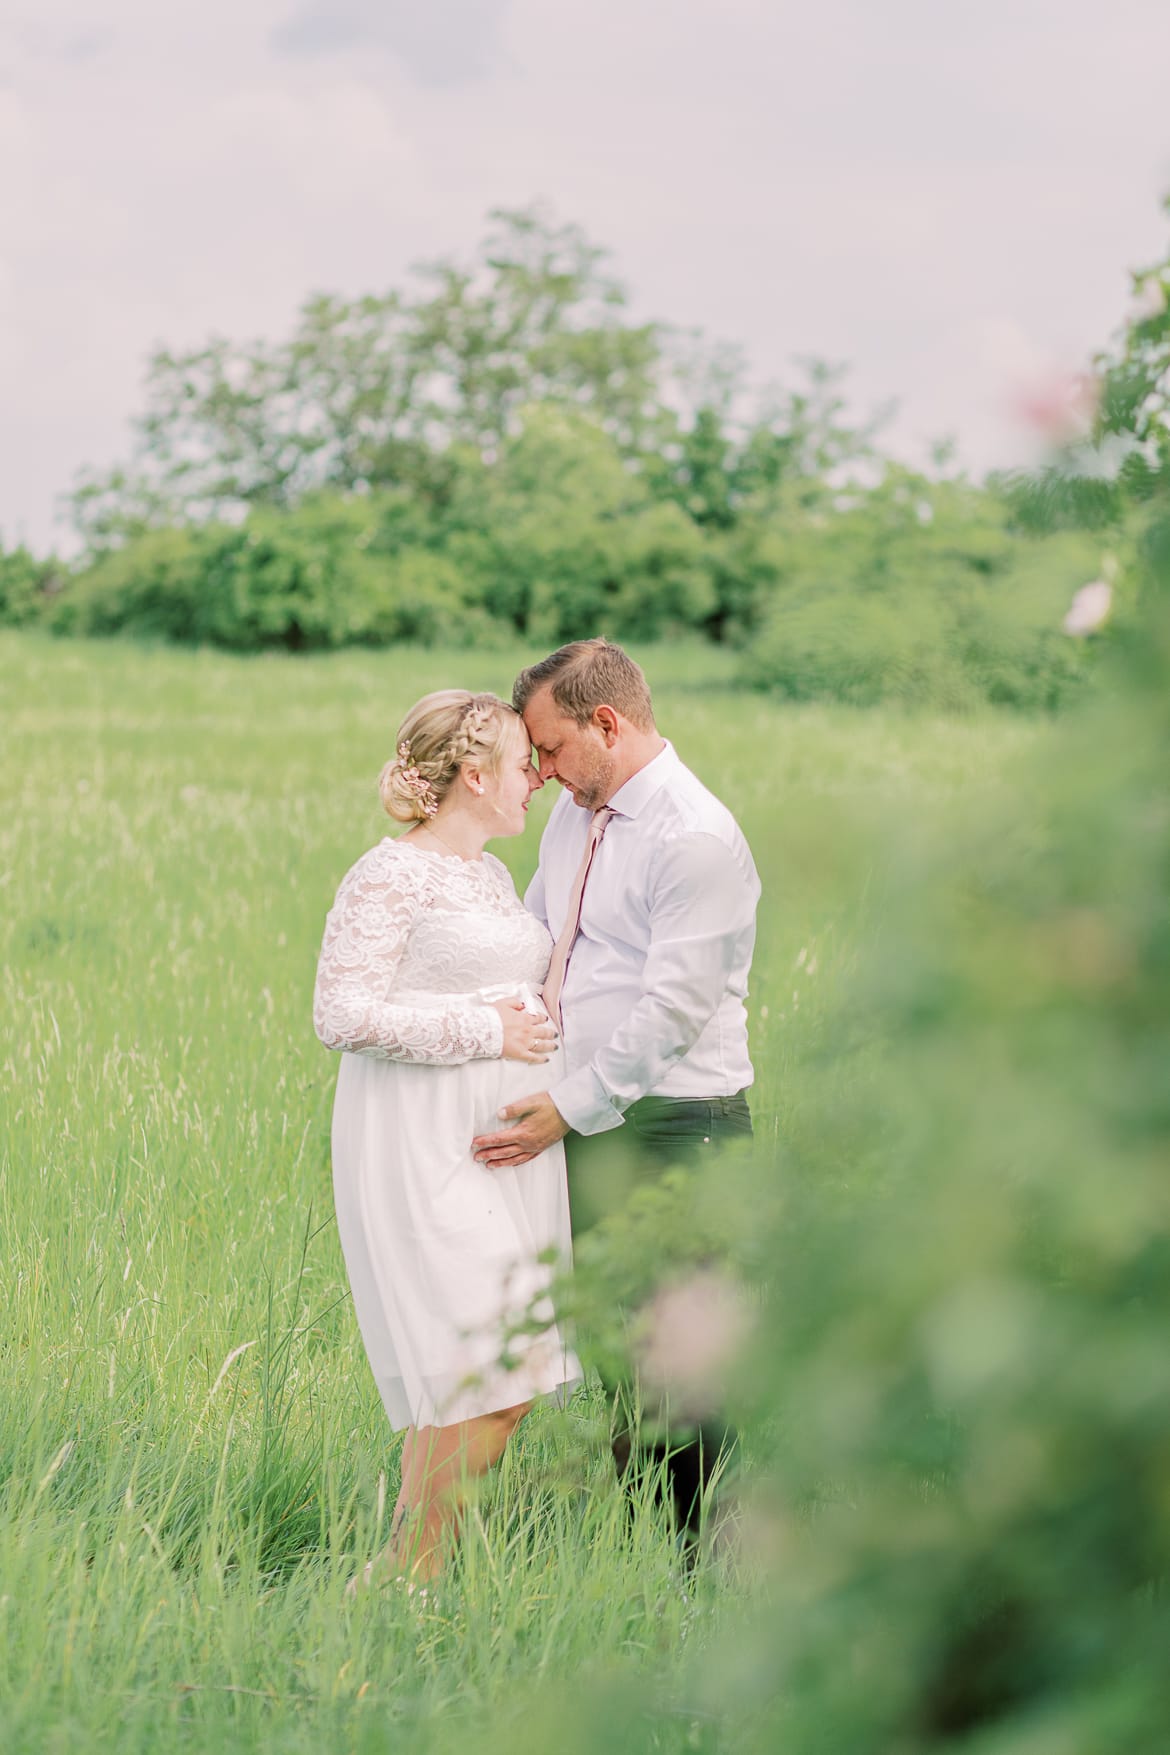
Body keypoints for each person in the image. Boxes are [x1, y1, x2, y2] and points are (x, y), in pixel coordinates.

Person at [472, 639, 760, 1541]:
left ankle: (702, 1560)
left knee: (681, 1353)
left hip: (678, 1124)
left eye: (551, 749)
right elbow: (536, 936)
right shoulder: (576, 817)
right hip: (587, 1116)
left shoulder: (696, 834)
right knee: (611, 1344)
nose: (542, 771)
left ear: (608, 723)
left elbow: (675, 1007)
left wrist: (567, 1106)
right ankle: (642, 1544)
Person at [313, 689, 578, 1592]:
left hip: (502, 1144)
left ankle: (404, 1576)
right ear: (475, 776)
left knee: (482, 1369)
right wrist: (486, 1031)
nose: (535, 779)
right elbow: (339, 1011)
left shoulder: (491, 876)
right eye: (520, 765)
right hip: (423, 1140)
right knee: (501, 1368)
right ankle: (406, 1571)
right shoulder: (388, 875)